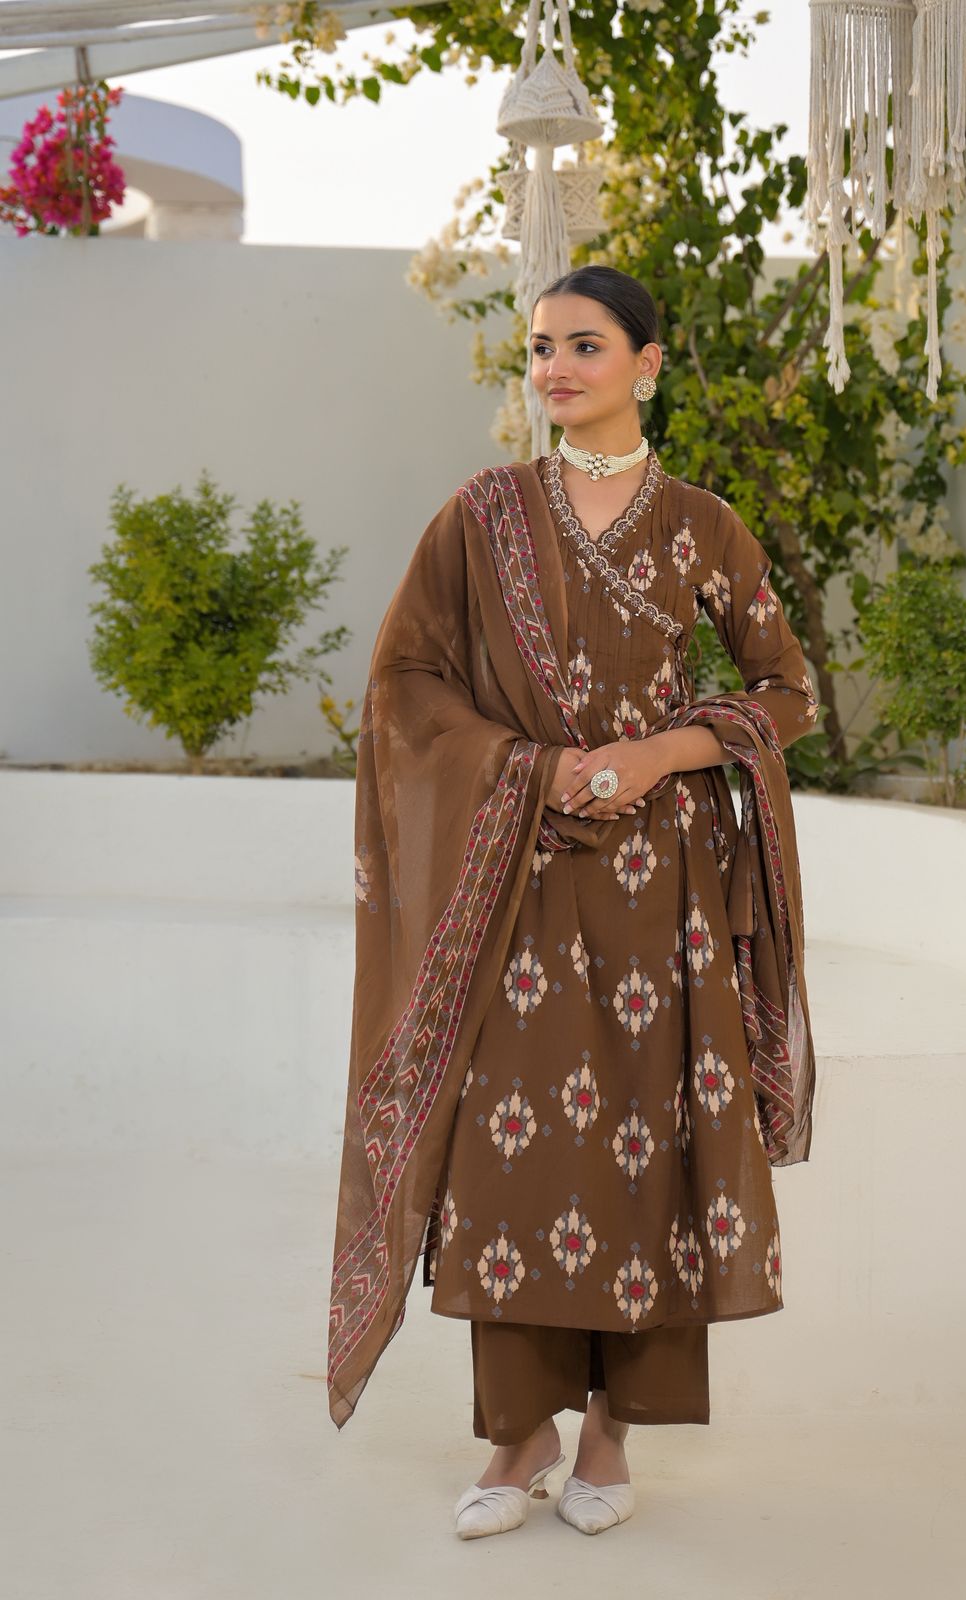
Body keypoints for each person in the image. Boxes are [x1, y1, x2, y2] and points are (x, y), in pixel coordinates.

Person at [327, 263, 820, 1540]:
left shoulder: (702, 525)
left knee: (643, 1153)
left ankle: (609, 1426)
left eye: (584, 344)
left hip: (662, 897)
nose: (554, 365)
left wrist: (659, 753)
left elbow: (786, 692)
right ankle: (519, 1429)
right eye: (541, 344)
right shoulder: (480, 516)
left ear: (645, 364)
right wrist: (530, 768)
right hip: (515, 881)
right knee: (509, 1155)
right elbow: (404, 682)